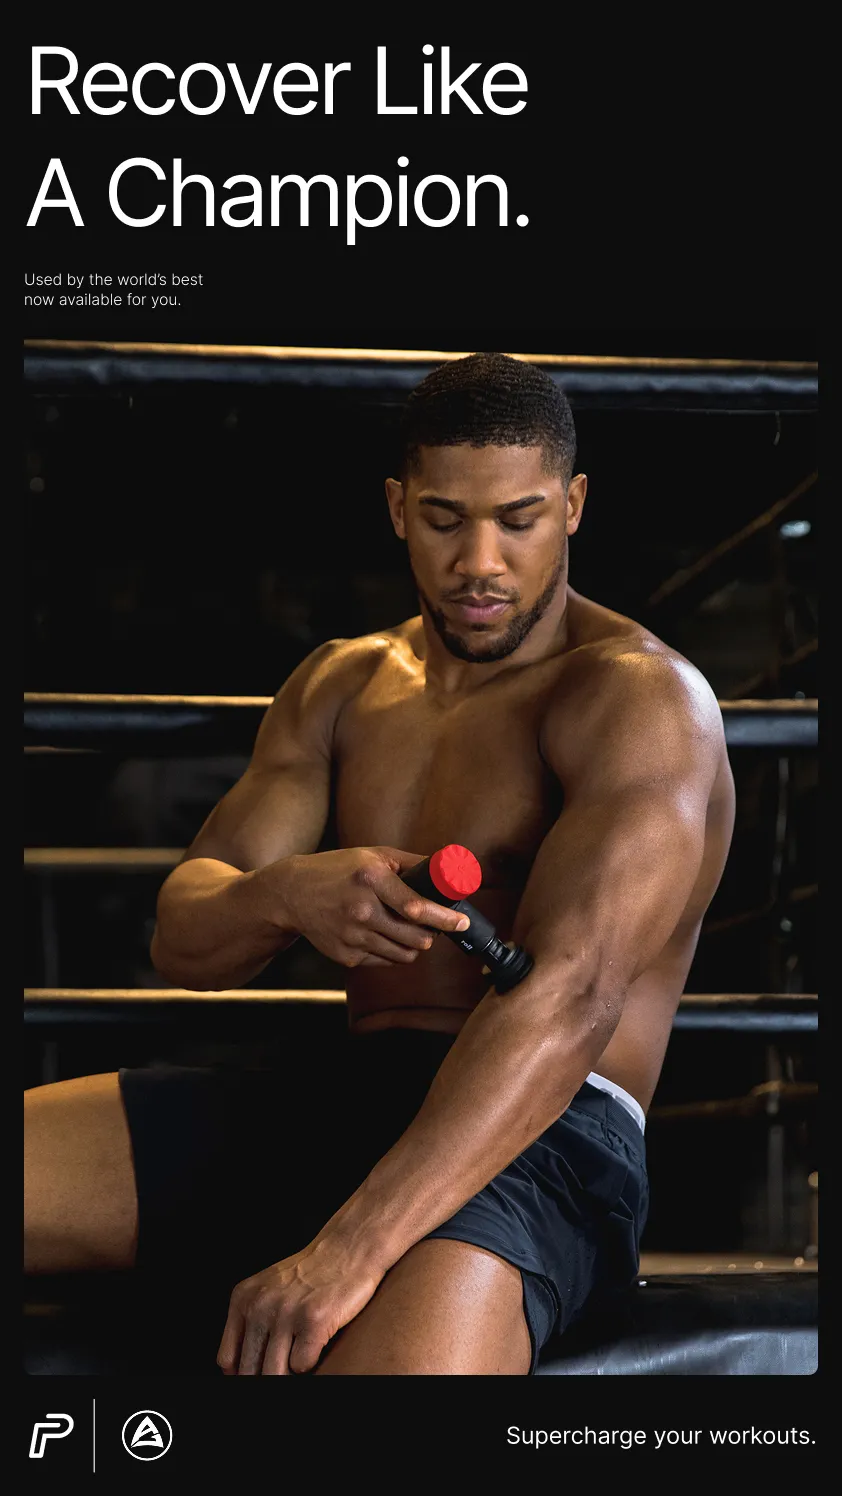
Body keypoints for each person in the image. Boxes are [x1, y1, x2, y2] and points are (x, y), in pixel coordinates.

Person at [24, 352, 735, 1376]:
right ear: (399, 508)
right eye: (445, 520)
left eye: (519, 520)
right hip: (339, 1099)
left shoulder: (636, 698)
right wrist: (287, 894)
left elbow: (572, 996)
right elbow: (184, 935)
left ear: (573, 506)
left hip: (540, 1130)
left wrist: (344, 1252)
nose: (480, 562)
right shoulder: (343, 685)